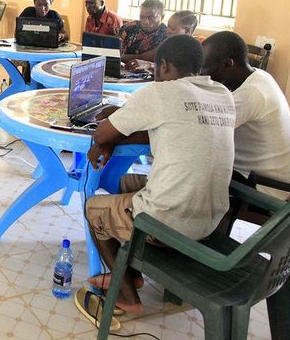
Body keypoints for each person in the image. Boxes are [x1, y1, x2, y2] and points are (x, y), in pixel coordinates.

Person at [78, 35, 234, 320]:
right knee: (126, 183)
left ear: (163, 67)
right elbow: (164, 129)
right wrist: (119, 130)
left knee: (93, 208)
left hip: (169, 225)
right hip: (211, 221)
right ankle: (131, 273)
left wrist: (109, 137)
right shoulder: (223, 94)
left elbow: (100, 133)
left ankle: (127, 296)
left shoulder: (161, 92)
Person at [202, 31, 290, 200]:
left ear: (227, 64)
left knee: (190, 167)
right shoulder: (258, 75)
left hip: (261, 187)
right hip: (270, 176)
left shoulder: (251, 93)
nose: (202, 75)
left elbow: (205, 133)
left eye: (204, 68)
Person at [126, 10, 198, 72]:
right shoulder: (169, 43)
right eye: (168, 26)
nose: (168, 31)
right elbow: (142, 57)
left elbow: (178, 73)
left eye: (173, 29)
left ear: (187, 31)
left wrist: (149, 65)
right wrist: (119, 57)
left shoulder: (192, 50)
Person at [118, 0, 167, 64]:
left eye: (151, 17)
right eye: (142, 16)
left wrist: (124, 57)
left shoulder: (167, 35)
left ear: (162, 17)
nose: (145, 22)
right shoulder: (129, 27)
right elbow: (115, 50)